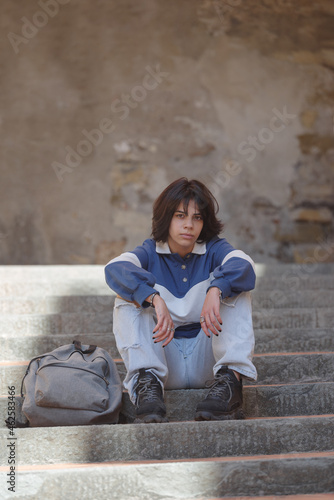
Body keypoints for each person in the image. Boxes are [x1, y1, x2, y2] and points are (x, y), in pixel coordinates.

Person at [105, 178, 257, 423]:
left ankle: (231, 383)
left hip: (208, 360)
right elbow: (115, 268)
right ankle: (147, 386)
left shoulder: (215, 249)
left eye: (197, 218)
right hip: (164, 360)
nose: (189, 225)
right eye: (180, 216)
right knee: (127, 295)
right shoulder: (149, 251)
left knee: (235, 287)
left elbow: (245, 266)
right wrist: (153, 298)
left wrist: (216, 288)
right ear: (166, 218)